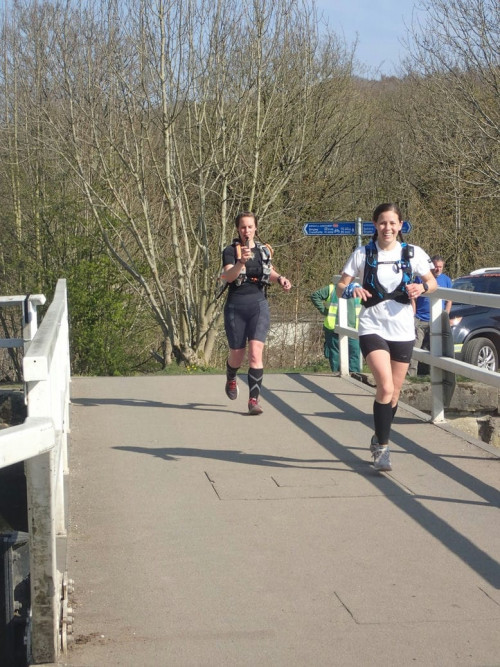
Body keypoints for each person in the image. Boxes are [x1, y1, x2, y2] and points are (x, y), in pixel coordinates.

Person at [336, 203, 437, 471]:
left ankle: (378, 434)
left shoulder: (413, 253)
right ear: (375, 225)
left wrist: (422, 287)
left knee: (394, 393)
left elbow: (432, 282)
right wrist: (352, 289)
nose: (387, 228)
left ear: (400, 225)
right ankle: (382, 447)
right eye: (382, 223)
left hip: (402, 329)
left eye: (392, 223)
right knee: (386, 387)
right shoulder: (362, 253)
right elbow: (340, 286)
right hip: (372, 326)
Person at [222, 212, 292, 415]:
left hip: (258, 306)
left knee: (255, 353)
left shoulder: (263, 250)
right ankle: (231, 376)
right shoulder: (230, 251)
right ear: (238, 229)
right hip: (236, 306)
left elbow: (269, 271)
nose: (247, 230)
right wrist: (241, 262)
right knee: (237, 355)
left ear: (255, 228)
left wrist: (280, 279)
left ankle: (253, 400)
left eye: (250, 227)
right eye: (243, 227)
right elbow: (228, 276)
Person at [408, 255, 453, 377]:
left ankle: (433, 375)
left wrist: (445, 315)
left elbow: (449, 300)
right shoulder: (420, 278)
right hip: (420, 319)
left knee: (436, 348)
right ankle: (411, 375)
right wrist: (414, 313)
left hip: (436, 321)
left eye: (440, 267)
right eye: (436, 266)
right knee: (415, 346)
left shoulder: (446, 280)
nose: (438, 269)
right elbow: (413, 298)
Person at [310, 282, 362, 373]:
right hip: (333, 329)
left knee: (354, 355)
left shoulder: (359, 289)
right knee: (335, 356)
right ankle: (337, 376)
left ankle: (355, 377)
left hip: (353, 330)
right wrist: (324, 310)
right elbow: (315, 296)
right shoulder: (332, 289)